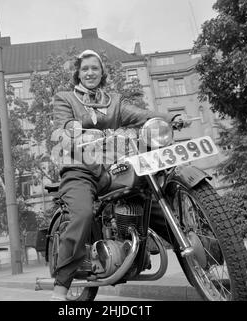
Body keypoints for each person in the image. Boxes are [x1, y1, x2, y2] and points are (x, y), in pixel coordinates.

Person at [50, 49, 173, 300]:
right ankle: (60, 288)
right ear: (78, 74)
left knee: (149, 196)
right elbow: (64, 127)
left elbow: (141, 115)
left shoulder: (113, 102)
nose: (90, 72)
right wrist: (73, 135)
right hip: (80, 168)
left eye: (95, 68)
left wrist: (171, 118)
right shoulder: (65, 98)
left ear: (102, 72)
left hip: (113, 166)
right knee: (82, 213)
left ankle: (202, 243)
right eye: (85, 69)